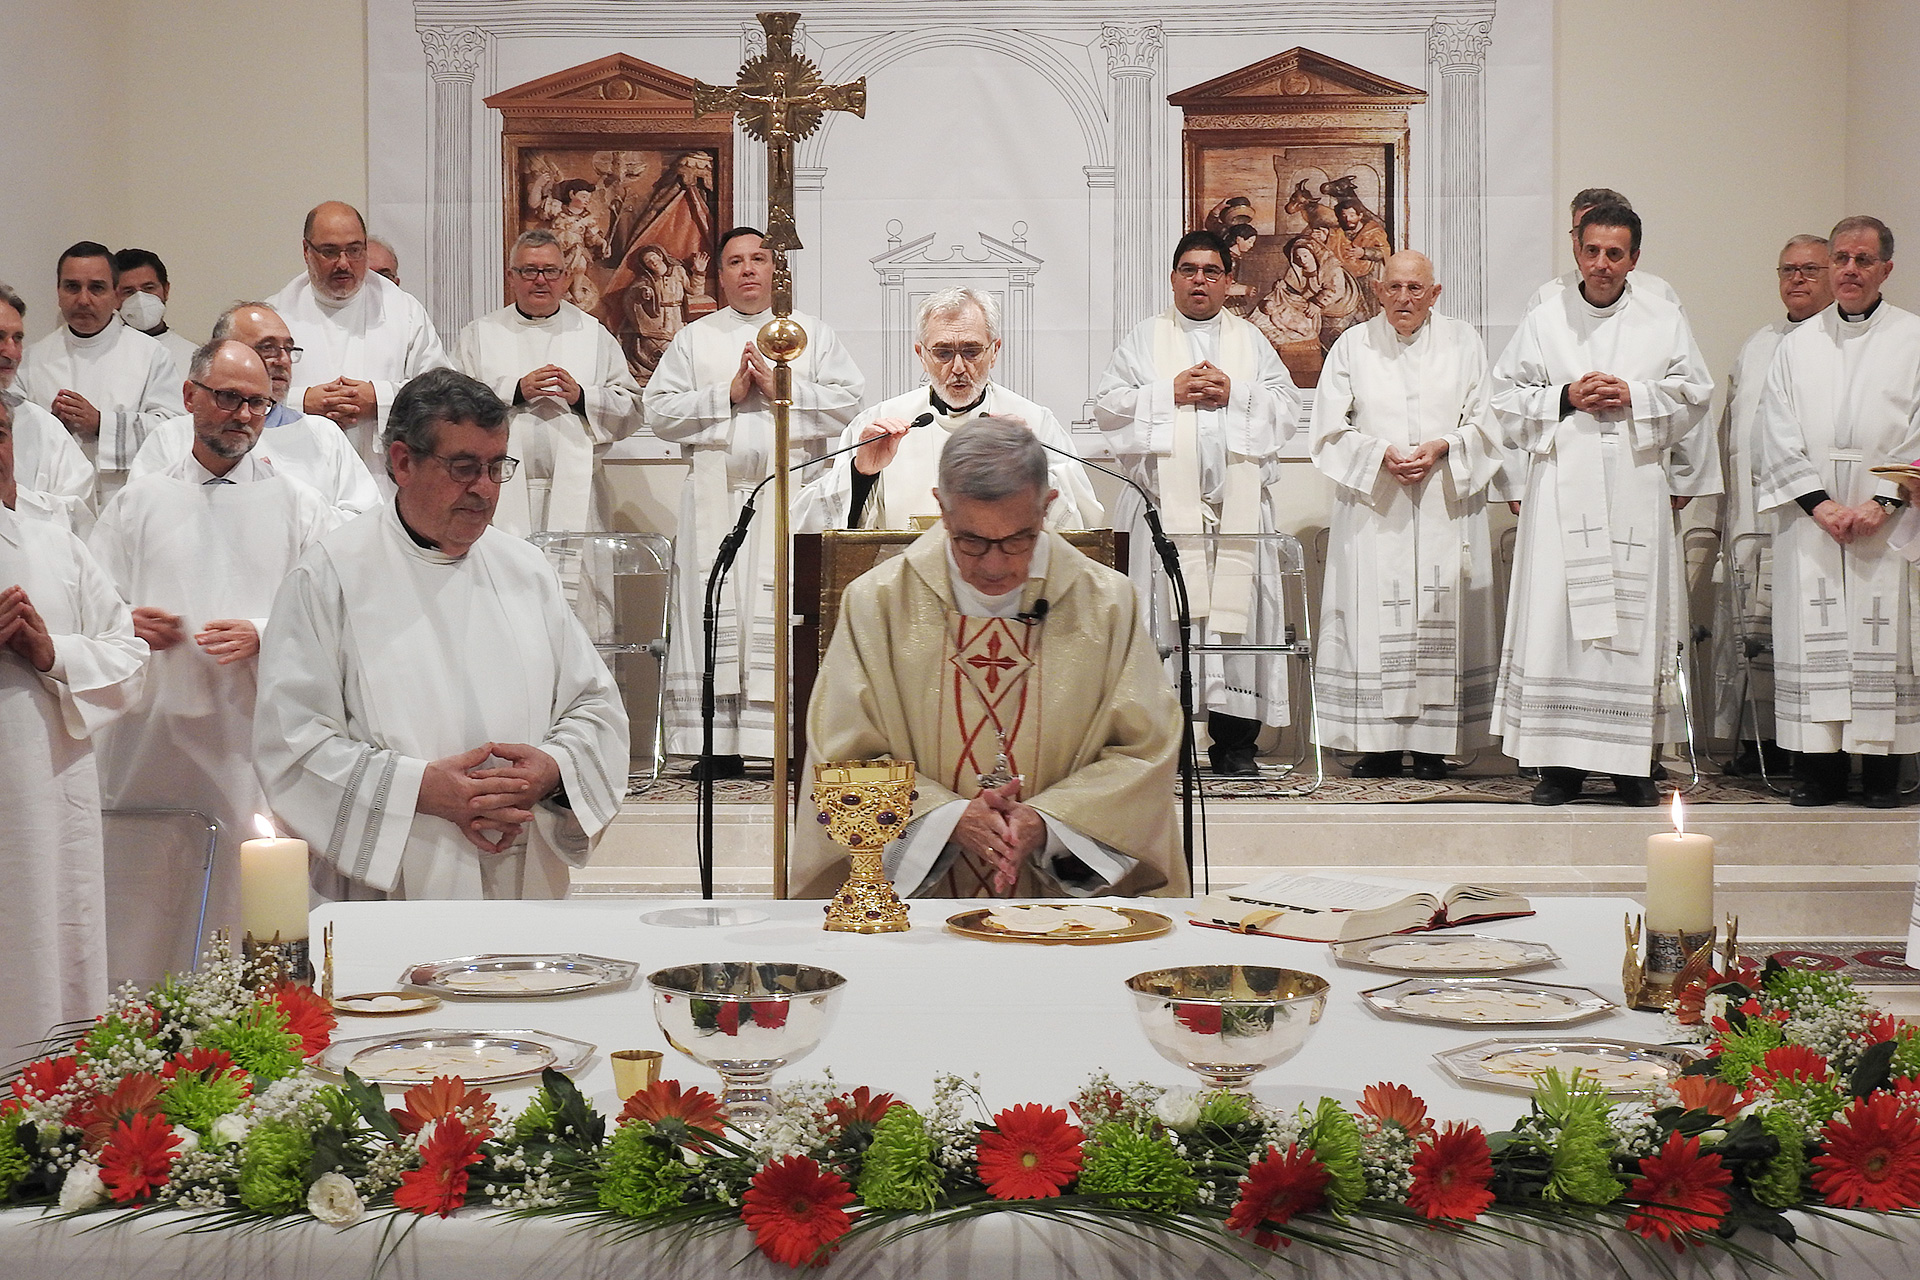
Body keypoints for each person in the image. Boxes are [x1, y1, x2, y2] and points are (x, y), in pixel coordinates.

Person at [254, 368, 629, 900]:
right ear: (403, 462)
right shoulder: (330, 577)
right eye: (463, 467)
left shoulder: (525, 568)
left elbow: (593, 707)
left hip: (524, 870)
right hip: (402, 875)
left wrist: (550, 771)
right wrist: (421, 791)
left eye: (497, 467)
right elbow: (292, 742)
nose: (484, 489)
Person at [794, 420, 1183, 899]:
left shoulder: (1106, 603)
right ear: (941, 507)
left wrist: (1051, 822)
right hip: (918, 916)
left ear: (1047, 508)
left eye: (1018, 539)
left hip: (1063, 916)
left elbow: (1144, 749)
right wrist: (945, 819)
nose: (994, 565)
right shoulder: (878, 602)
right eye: (970, 540)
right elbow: (842, 755)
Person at [89, 339, 336, 983]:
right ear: (189, 397)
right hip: (154, 744)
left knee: (247, 903)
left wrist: (262, 630)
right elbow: (92, 608)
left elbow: (333, 619)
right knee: (153, 915)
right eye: (227, 397)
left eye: (257, 402)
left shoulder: (300, 505)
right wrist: (125, 624)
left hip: (250, 741)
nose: (242, 414)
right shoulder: (138, 503)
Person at [1491, 205, 1715, 805]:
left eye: (1615, 253)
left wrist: (1633, 393)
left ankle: (1631, 765)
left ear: (1635, 258)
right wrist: (1565, 395)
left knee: (1631, 622)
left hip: (1635, 485)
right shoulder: (1546, 316)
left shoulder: (1662, 316)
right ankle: (1558, 768)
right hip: (1563, 486)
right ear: (1577, 251)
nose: (1602, 264)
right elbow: (1503, 398)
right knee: (1559, 620)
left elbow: (1695, 395)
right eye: (1592, 250)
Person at [644, 226, 864, 776]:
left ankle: (784, 739)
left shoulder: (809, 333)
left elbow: (849, 405)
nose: (748, 270)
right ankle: (715, 742)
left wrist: (781, 388)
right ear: (719, 275)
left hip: (790, 500)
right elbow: (658, 411)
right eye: (735, 261)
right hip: (716, 498)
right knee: (715, 611)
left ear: (774, 270)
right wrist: (729, 395)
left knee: (782, 611)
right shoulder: (695, 338)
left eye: (758, 259)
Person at [1093, 230, 1299, 775]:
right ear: (1173, 278)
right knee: (1165, 622)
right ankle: (1167, 745)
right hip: (1165, 513)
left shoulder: (1252, 342)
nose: (1200, 280)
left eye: (1211, 270)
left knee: (1239, 625)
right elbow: (1109, 409)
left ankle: (1236, 745)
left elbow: (1287, 408)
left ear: (1229, 282)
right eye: (1189, 270)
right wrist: (1170, 394)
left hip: (1237, 514)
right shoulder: (1143, 339)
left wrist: (1237, 393)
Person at [1312, 251, 1504, 779]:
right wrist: (1378, 454)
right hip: (1377, 507)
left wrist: (1445, 445)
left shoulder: (1463, 341)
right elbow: (1327, 429)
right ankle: (1376, 743)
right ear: (1378, 290)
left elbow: (1488, 424)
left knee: (1439, 617)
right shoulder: (1353, 345)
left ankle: (1432, 744)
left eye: (1415, 289)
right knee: (1376, 615)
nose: (1404, 299)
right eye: (1394, 288)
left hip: (1444, 502)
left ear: (1434, 293)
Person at [0, 396, 147, 1063]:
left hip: (51, 793)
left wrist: (51, 652)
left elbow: (127, 654)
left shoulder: (51, 529)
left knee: (55, 956)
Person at [1755, 216, 1920, 808]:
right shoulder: (1796, 346)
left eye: (1863, 260)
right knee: (1815, 638)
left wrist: (1883, 503)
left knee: (1884, 641)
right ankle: (1818, 771)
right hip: (1816, 523)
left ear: (1886, 269)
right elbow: (1773, 431)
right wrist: (1819, 504)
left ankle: (1881, 774)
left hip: (1889, 523)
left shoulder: (1914, 338)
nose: (1850, 270)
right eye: (1841, 259)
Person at [795, 286, 1102, 533]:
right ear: (921, 354)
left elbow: (1080, 526)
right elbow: (819, 528)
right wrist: (861, 474)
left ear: (994, 351)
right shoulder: (879, 424)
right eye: (943, 352)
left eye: (971, 351)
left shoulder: (1035, 424)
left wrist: (1031, 462)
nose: (958, 367)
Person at [1712, 235, 1833, 777]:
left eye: (1810, 269)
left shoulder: (1837, 341)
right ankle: (1761, 740)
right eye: (1787, 269)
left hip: (1805, 512)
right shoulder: (1758, 343)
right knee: (1752, 629)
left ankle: (1810, 742)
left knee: (1802, 625)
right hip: (1750, 509)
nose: (1797, 279)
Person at [454, 228, 643, 534]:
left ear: (566, 277)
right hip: (496, 492)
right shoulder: (479, 335)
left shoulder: (594, 335)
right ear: (511, 276)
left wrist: (581, 397)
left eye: (550, 271)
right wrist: (515, 391)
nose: (540, 280)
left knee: (575, 581)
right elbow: (451, 407)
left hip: (579, 492)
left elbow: (632, 408)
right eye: (529, 270)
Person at [128, 301, 379, 520]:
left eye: (288, 349)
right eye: (267, 348)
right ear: (224, 352)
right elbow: (138, 516)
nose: (282, 360)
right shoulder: (171, 437)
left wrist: (283, 505)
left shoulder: (323, 435)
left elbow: (363, 522)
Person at [270, 201, 451, 485]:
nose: (344, 263)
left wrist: (378, 398)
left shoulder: (403, 310)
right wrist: (303, 402)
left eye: (354, 250)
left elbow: (443, 394)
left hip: (383, 479)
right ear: (306, 251)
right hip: (300, 479)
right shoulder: (275, 316)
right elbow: (243, 398)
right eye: (330, 251)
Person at [15, 241, 183, 500]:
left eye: (96, 287)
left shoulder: (151, 355)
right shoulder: (31, 359)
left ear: (116, 295)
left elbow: (174, 431)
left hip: (126, 500)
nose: (83, 299)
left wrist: (101, 424)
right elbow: (12, 433)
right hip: (54, 503)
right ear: (58, 292)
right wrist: (50, 425)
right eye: (72, 287)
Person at [0, 282, 94, 508]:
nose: (12, 352)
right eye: (0, 337)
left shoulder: (41, 426)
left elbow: (78, 506)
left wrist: (17, 501)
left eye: (18, 338)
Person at [112, 248, 196, 372]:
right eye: (129, 291)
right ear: (113, 297)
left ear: (166, 290)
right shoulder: (103, 353)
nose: (140, 299)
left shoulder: (192, 357)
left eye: (149, 288)